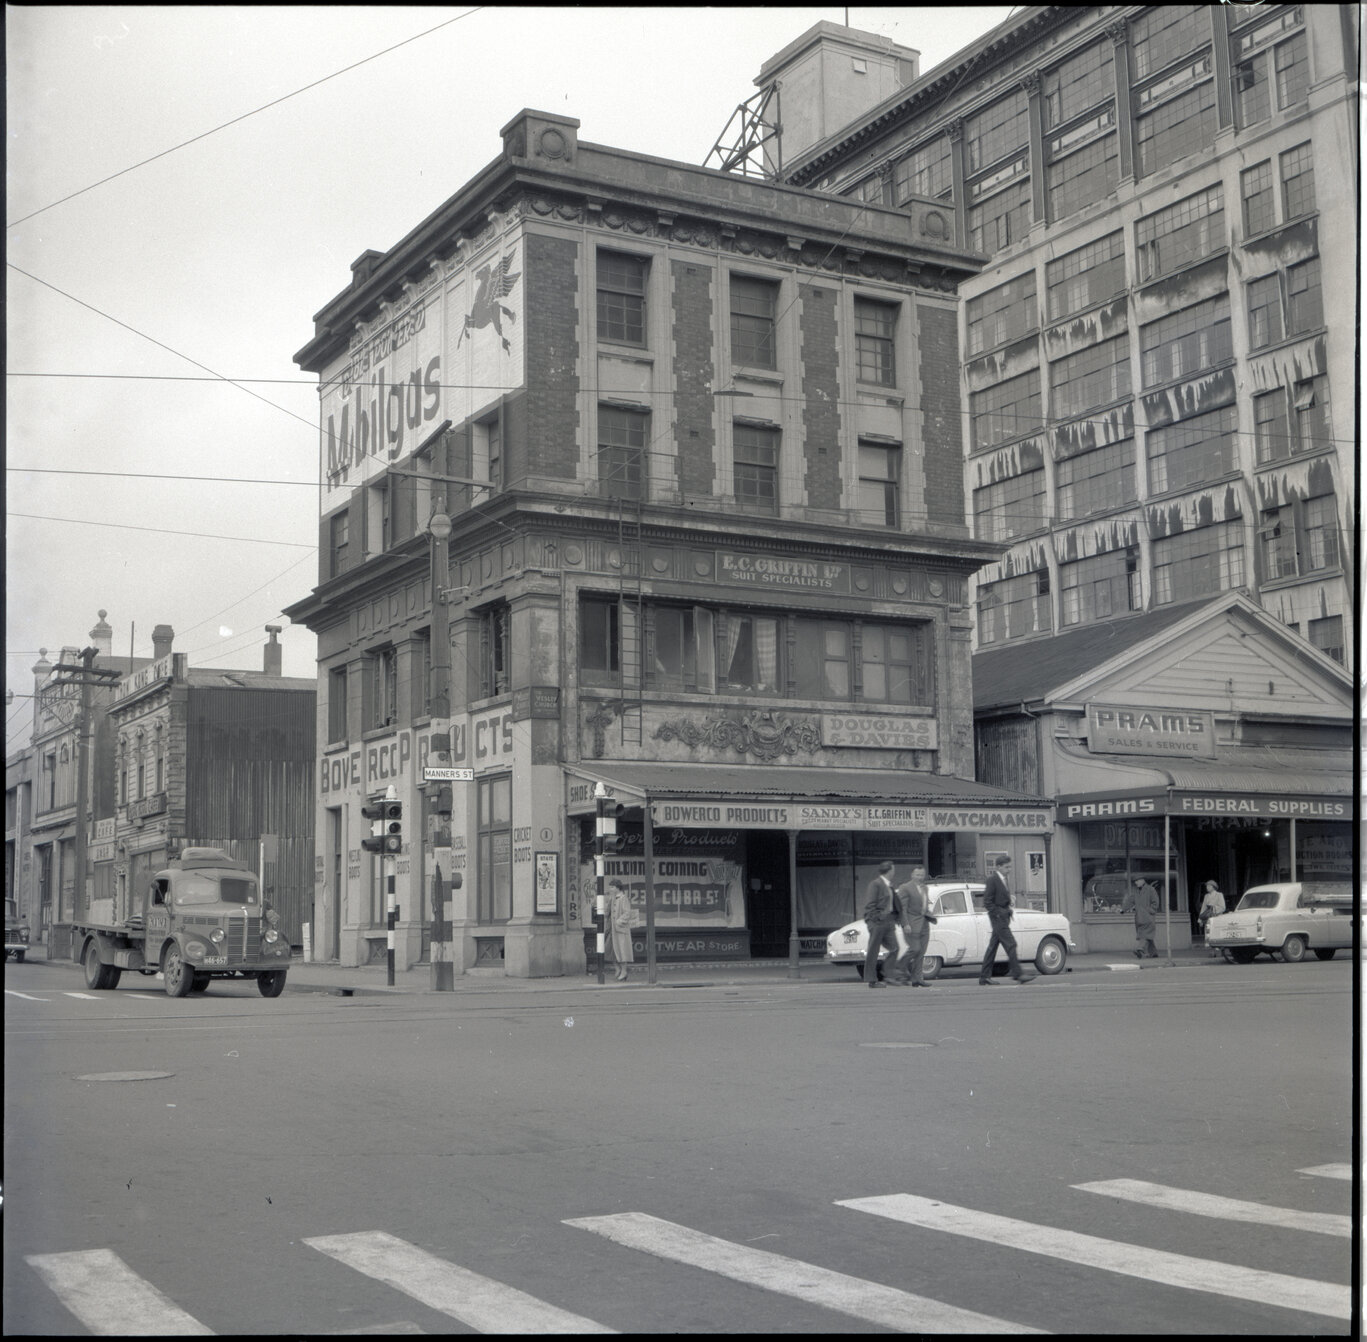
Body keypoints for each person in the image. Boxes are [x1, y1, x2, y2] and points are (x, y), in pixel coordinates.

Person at [978, 855, 1034, 986]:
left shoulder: (1004, 879)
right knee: (1011, 944)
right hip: (999, 919)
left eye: (1010, 867)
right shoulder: (993, 880)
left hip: (1003, 917)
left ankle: (984, 977)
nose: (1009, 869)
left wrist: (1007, 910)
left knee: (992, 948)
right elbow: (987, 901)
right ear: (998, 867)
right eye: (1006, 867)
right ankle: (1018, 974)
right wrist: (999, 914)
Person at [894, 864, 938, 987]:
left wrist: (929, 914)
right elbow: (902, 908)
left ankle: (917, 978)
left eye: (922, 875)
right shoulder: (905, 888)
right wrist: (905, 924)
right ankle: (899, 967)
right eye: (917, 875)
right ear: (912, 875)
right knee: (915, 949)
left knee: (921, 953)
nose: (920, 877)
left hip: (924, 923)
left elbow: (923, 906)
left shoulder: (925, 888)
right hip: (911, 925)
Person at [862, 861, 902, 987]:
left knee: (895, 948)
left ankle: (889, 975)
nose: (894, 872)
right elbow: (870, 905)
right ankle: (871, 980)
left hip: (888, 922)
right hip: (878, 922)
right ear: (889, 871)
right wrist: (876, 919)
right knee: (873, 951)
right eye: (893, 870)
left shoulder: (888, 885)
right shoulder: (875, 884)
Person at [1122, 877, 1161, 958]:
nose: (1136, 883)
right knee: (1147, 936)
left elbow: (1155, 903)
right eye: (1135, 881)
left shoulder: (1151, 890)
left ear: (1142, 880)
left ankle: (1140, 949)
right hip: (1139, 918)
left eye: (1137, 881)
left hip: (1148, 918)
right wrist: (1123, 909)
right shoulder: (1136, 891)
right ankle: (1153, 953)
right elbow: (1130, 901)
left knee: (1144, 935)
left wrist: (1149, 911)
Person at [607, 879, 636, 981]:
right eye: (610, 887)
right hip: (612, 930)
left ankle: (624, 971)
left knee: (622, 950)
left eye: (612, 887)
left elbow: (627, 913)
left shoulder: (623, 898)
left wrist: (618, 921)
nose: (610, 889)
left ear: (617, 888)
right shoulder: (613, 898)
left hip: (620, 930)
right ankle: (617, 968)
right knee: (610, 950)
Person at [1198, 879, 1226, 958]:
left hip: (1217, 917)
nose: (1207, 887)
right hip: (1208, 918)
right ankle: (1211, 951)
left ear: (1213, 887)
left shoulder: (1219, 895)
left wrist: (1213, 909)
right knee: (1209, 934)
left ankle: (1219, 951)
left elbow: (1223, 907)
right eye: (1207, 886)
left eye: (1209, 886)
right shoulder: (1206, 896)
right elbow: (1203, 907)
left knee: (1217, 933)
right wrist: (1200, 919)